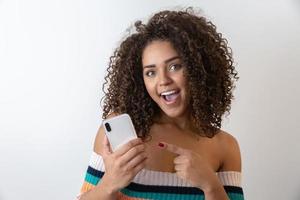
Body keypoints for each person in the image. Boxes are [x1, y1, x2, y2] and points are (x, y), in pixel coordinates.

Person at [77, 7, 244, 200]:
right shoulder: (118, 134)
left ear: (199, 69)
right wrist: (109, 184)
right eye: (151, 72)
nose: (163, 80)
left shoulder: (225, 147)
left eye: (174, 66)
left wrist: (211, 186)